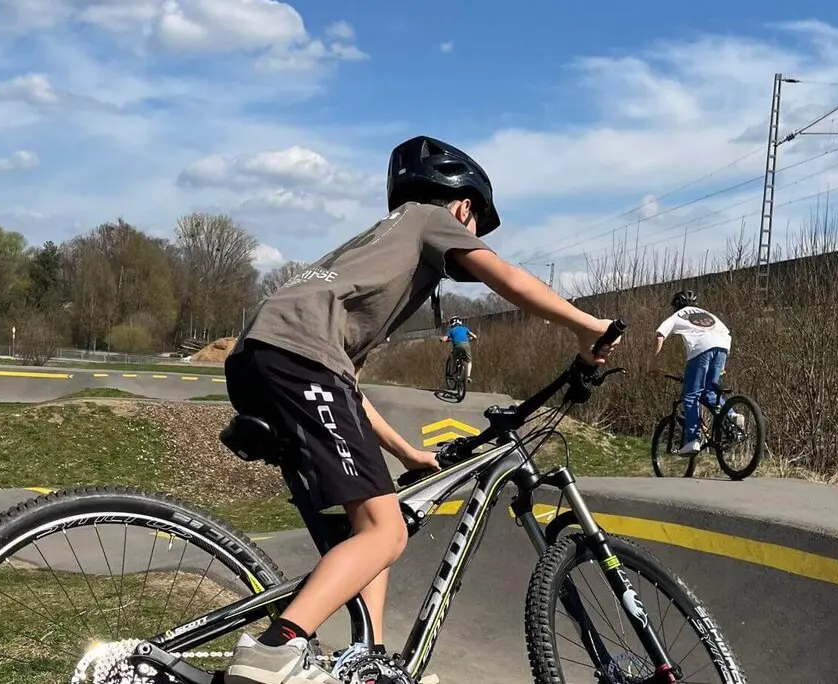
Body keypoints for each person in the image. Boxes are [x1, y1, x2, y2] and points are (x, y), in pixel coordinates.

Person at [222, 135, 619, 684]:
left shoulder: (366, 258)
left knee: (368, 526)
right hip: (295, 361)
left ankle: (370, 661)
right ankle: (274, 651)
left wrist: (407, 449)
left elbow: (348, 393)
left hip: (261, 360)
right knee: (387, 533)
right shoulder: (427, 218)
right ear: (462, 206)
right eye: (474, 222)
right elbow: (508, 279)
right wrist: (588, 327)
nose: (470, 235)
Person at [652, 289, 742, 456]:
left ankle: (693, 439)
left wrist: (654, 361)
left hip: (701, 349)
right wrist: (721, 363)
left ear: (676, 306)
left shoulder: (677, 316)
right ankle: (732, 415)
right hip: (722, 347)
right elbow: (725, 334)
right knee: (708, 391)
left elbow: (660, 335)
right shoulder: (709, 314)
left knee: (691, 395)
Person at [439, 316, 478, 382]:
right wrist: (469, 339)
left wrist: (441, 339)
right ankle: (468, 376)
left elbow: (445, 338)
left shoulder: (451, 330)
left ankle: (451, 373)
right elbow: (475, 336)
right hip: (466, 345)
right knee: (469, 361)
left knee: (454, 359)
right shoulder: (465, 329)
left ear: (452, 324)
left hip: (457, 345)